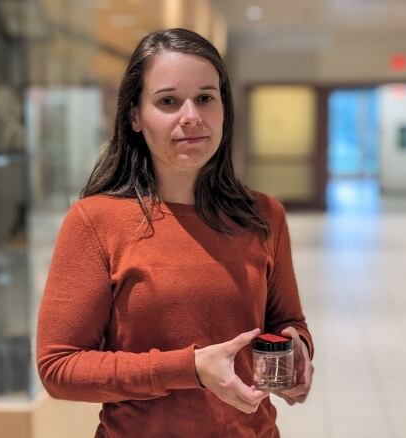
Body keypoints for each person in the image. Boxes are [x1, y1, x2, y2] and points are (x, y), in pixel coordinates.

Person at [36, 28, 314, 437]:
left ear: (224, 108)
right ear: (134, 116)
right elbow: (59, 367)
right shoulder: (95, 222)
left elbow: (288, 321)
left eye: (205, 98)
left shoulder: (263, 215)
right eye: (168, 101)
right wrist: (189, 368)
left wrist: (298, 352)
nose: (192, 117)